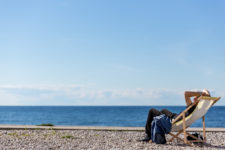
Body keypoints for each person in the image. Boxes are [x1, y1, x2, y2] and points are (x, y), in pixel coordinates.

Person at [141, 89, 211, 142]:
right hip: (176, 117)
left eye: (196, 97)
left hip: (173, 120)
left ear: (199, 99)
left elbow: (186, 93)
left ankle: (149, 135)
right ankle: (154, 132)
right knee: (163, 110)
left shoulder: (192, 107)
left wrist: (201, 93)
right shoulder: (198, 109)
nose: (194, 98)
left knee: (151, 111)